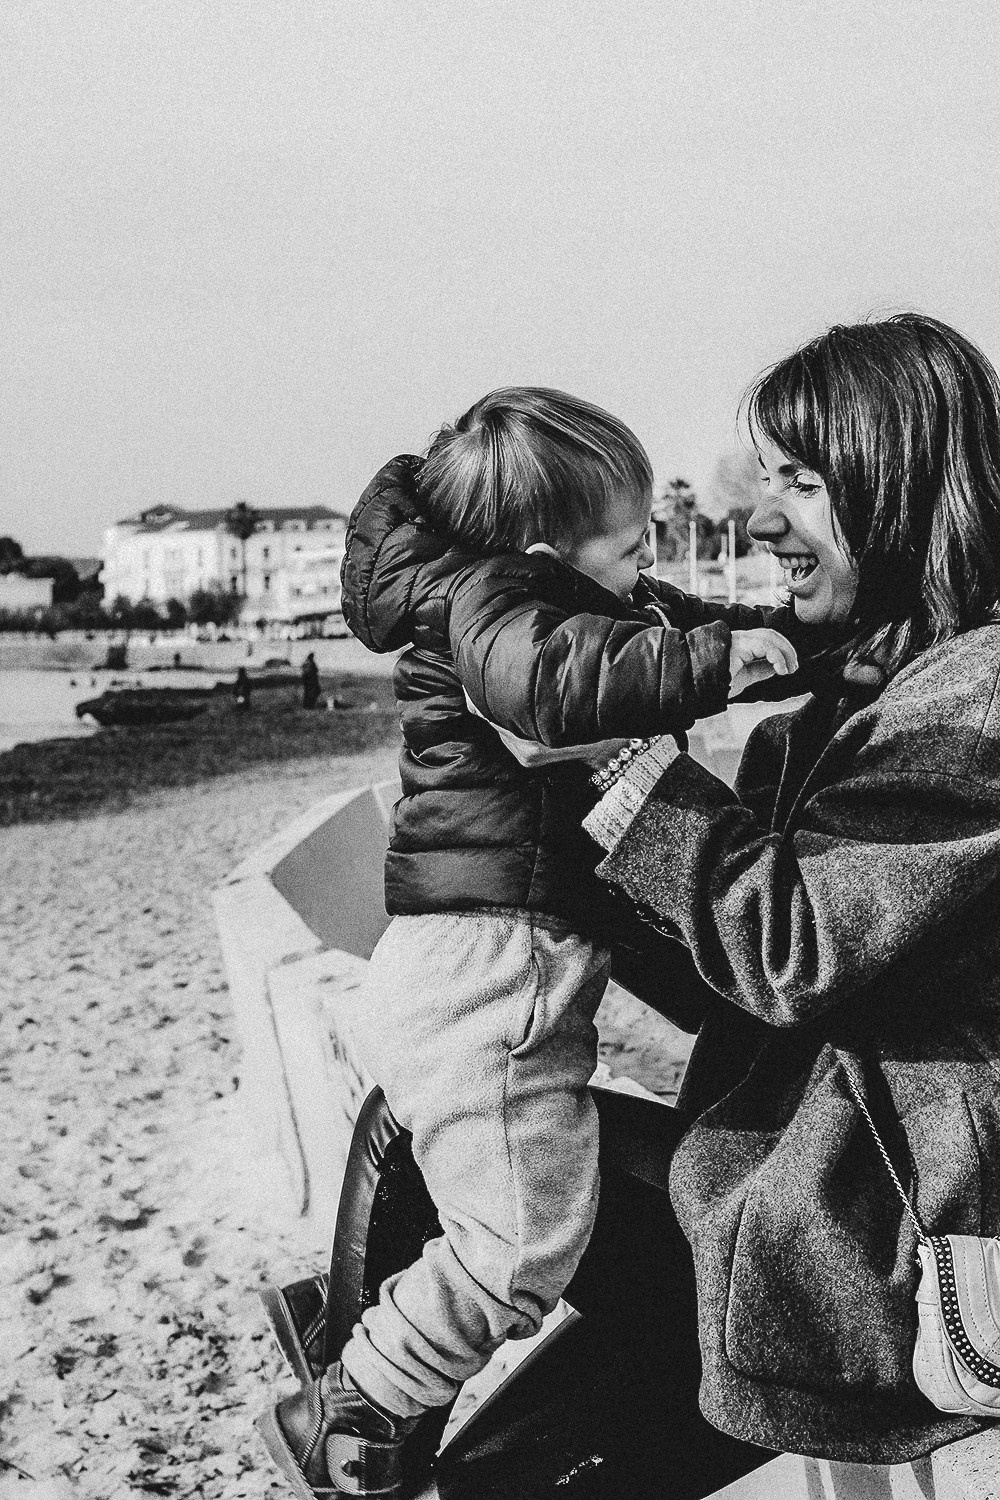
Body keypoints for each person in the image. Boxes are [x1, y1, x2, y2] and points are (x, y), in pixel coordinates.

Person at [422, 312, 1000, 1496]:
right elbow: (725, 975)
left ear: (903, 482)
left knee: (511, 1464)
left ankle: (372, 1397)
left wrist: (609, 765)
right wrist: (516, 882)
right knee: (433, 1106)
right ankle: (367, 1391)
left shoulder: (975, 700)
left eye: (801, 481)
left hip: (872, 1241)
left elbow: (790, 953)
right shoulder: (851, 697)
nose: (759, 520)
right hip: (783, 1182)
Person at [255, 388, 817, 1498]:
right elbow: (558, 686)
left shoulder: (538, 593)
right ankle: (354, 1399)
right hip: (490, 971)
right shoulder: (498, 608)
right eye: (627, 550)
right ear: (546, 551)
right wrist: (715, 669)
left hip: (473, 964)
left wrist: (787, 642)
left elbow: (659, 625)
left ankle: (350, 1332)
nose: (642, 571)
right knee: (522, 1245)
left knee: (509, 1202)